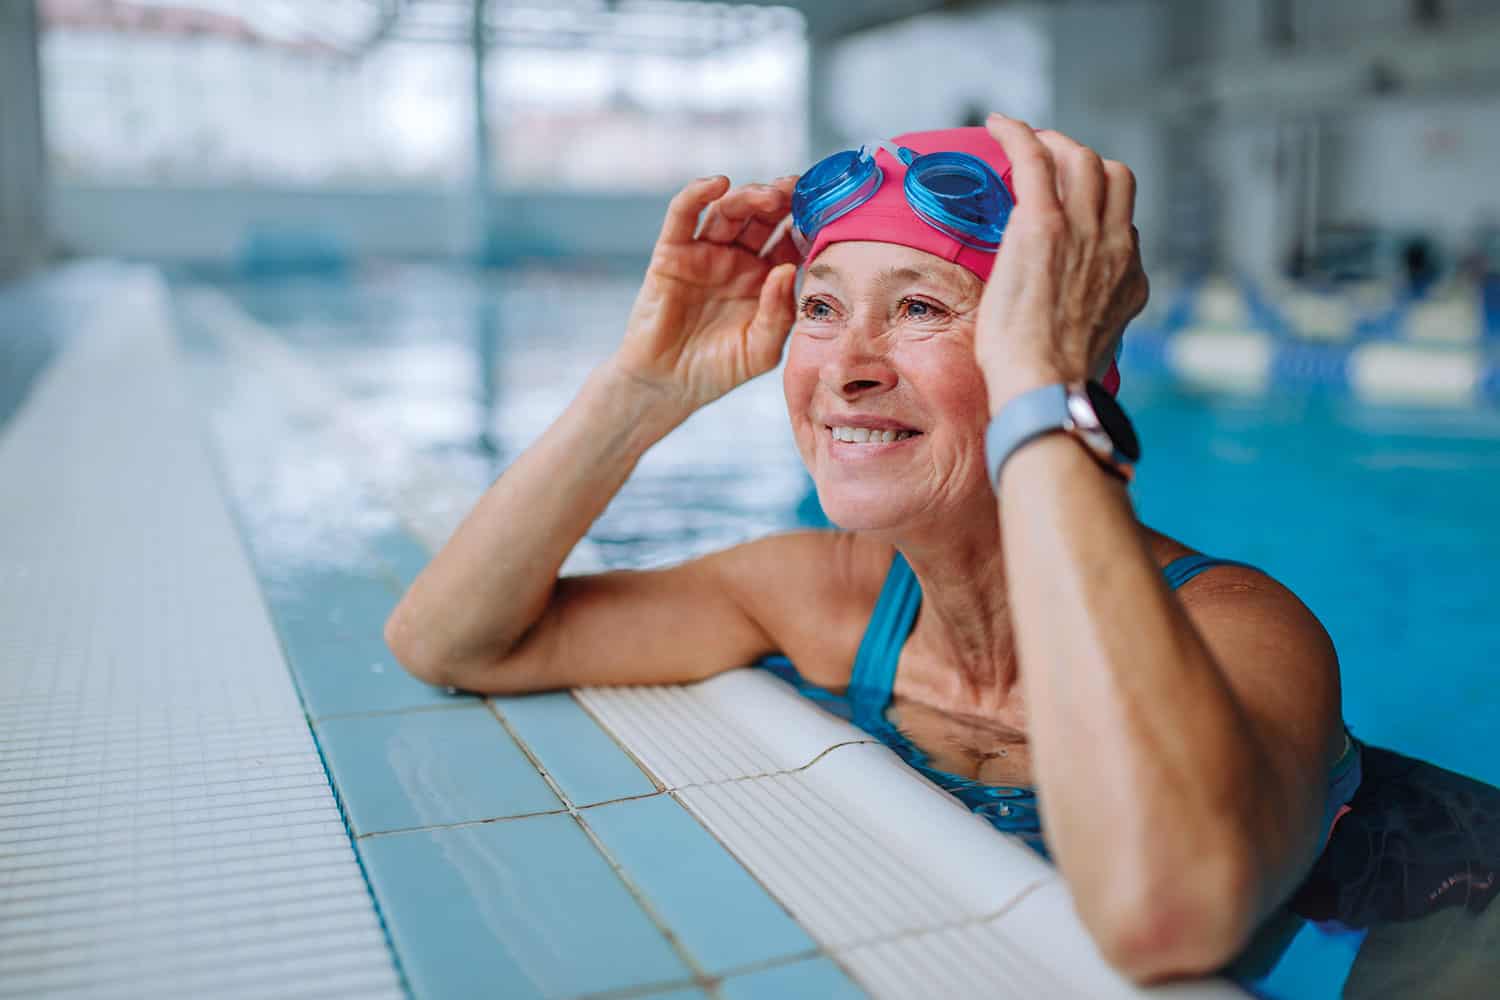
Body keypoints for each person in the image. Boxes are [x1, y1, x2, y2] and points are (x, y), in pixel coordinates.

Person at [384, 116, 1356, 983]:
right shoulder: (823, 596)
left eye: (922, 308)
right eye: (822, 307)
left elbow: (1165, 914)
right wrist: (647, 385)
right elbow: (455, 640)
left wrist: (1044, 394)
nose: (846, 370)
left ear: (1063, 358)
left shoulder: (1240, 630)